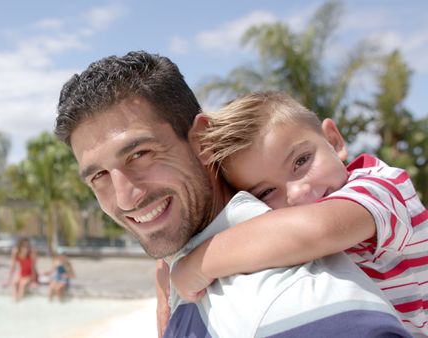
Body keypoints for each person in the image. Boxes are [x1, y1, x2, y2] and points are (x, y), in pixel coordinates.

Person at [55, 50, 412, 337]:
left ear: (201, 140)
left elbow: (317, 228)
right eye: (99, 175)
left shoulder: (290, 301)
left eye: (140, 154)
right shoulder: (194, 255)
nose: (125, 197)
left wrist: (194, 265)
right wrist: (171, 269)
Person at [170, 91, 428, 335]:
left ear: (334, 141)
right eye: (266, 192)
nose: (296, 193)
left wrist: (197, 264)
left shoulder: (384, 186)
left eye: (301, 161)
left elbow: (317, 229)